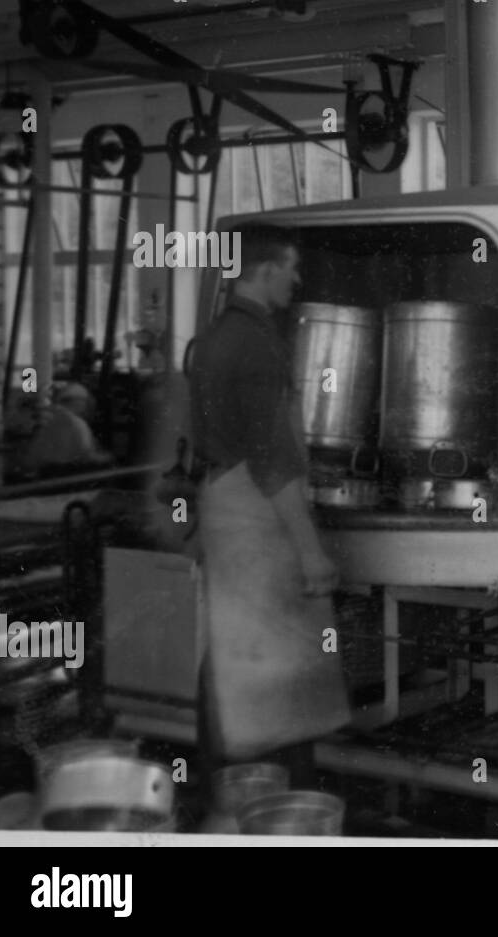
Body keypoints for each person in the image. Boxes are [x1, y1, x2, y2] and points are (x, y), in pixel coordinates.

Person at [187, 223, 350, 790]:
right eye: (291, 267)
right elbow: (273, 461)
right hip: (256, 520)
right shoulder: (256, 346)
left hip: (225, 511)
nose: (297, 278)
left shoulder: (211, 338)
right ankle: (277, 805)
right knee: (276, 670)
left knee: (234, 657)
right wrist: (310, 554)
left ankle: (224, 794)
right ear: (264, 270)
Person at [19, 381, 112, 476]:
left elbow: (31, 457)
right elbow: (86, 454)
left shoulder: (50, 419)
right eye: (85, 402)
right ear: (77, 402)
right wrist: (106, 457)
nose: (86, 407)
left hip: (44, 475)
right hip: (64, 479)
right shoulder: (76, 423)